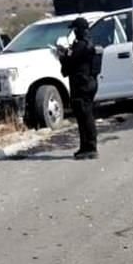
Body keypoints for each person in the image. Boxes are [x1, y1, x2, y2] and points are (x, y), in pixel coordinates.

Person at [59, 17, 99, 159]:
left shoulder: (80, 46)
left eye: (75, 29)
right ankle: (85, 147)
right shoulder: (88, 43)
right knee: (84, 116)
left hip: (81, 85)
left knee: (85, 116)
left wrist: (61, 55)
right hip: (89, 83)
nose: (73, 32)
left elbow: (68, 66)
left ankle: (90, 147)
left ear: (78, 30)